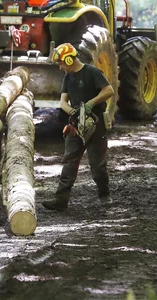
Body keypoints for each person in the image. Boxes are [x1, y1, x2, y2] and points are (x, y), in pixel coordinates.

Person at [42, 42, 115, 211]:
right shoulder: (68, 77)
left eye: (61, 63)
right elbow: (63, 102)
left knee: (97, 165)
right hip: (76, 125)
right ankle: (61, 200)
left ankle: (105, 195)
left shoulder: (92, 72)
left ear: (68, 60)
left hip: (96, 125)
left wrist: (91, 103)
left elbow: (108, 90)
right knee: (69, 162)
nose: (60, 67)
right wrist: (73, 112)